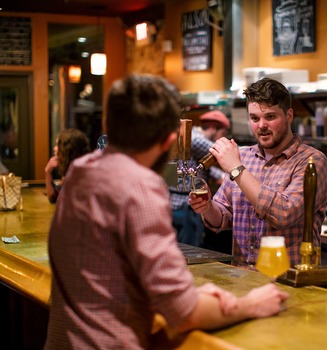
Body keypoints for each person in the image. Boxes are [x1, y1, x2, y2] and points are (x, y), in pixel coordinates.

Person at [45, 74, 289, 349]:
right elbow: (183, 313)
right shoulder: (140, 186)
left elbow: (111, 275)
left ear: (107, 125)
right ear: (169, 140)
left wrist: (195, 294)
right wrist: (249, 305)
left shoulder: (80, 171)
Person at [190, 77, 327, 268]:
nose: (261, 125)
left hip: (289, 282)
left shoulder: (311, 161)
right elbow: (222, 217)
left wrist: (236, 169)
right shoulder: (244, 157)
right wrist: (207, 207)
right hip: (243, 279)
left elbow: (284, 214)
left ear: (289, 115)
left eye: (270, 117)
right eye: (254, 118)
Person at [170, 110, 230, 247]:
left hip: (173, 203)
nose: (221, 138)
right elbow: (225, 153)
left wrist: (220, 176)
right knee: (190, 252)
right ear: (214, 128)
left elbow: (198, 167)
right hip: (188, 205)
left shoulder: (189, 137)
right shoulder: (197, 141)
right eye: (223, 133)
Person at [44, 128, 90, 203]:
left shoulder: (78, 175)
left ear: (67, 150)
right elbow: (53, 198)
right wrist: (48, 172)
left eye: (57, 145)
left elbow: (55, 199)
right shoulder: (70, 171)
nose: (54, 148)